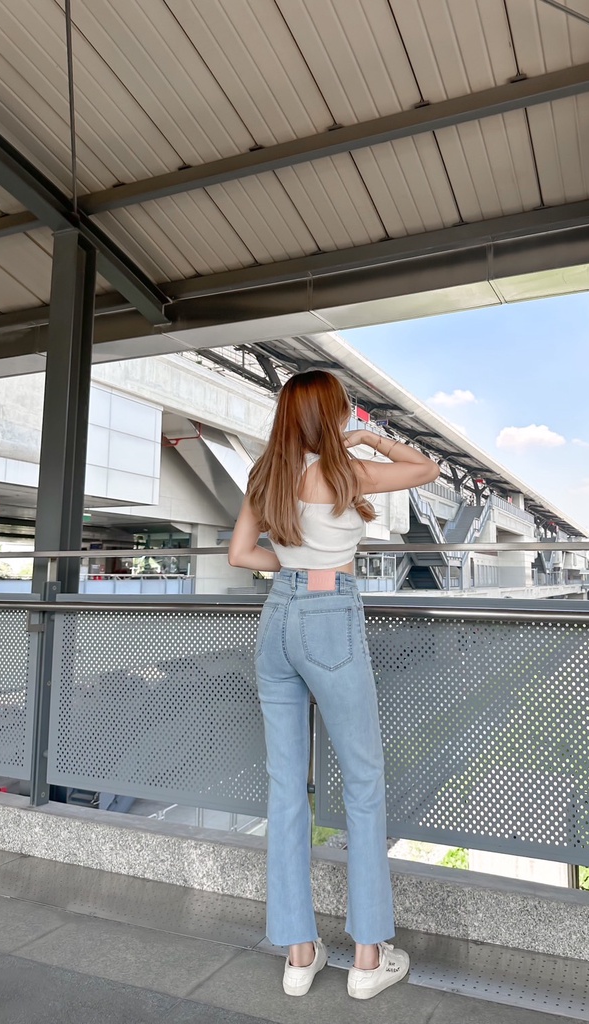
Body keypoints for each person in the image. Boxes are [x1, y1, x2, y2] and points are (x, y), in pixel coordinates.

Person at [228, 369, 440, 1000]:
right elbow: (426, 468)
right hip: (330, 615)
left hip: (277, 619)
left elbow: (241, 554)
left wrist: (293, 565)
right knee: (363, 781)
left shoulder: (266, 475)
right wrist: (370, 438)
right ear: (334, 415)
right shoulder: (347, 471)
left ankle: (299, 955)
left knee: (286, 785)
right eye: (345, 410)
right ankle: (368, 958)